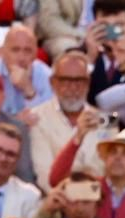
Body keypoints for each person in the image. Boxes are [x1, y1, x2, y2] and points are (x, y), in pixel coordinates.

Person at [28, 51, 103, 185]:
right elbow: (45, 176)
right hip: (56, 200)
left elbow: (104, 173)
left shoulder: (104, 120)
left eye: (79, 81)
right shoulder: (37, 118)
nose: (73, 87)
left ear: (88, 83)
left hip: (96, 200)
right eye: (66, 80)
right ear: (53, 82)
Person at [82, 0, 125, 103]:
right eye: (104, 25)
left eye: (119, 25)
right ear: (94, 24)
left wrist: (124, 65)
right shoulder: (78, 56)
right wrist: (90, 60)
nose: (112, 31)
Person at [0, 24, 51, 116]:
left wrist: (28, 89)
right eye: (15, 50)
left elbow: (48, 121)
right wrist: (16, 121)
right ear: (2, 52)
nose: (21, 58)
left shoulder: (46, 74)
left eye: (27, 51)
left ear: (35, 54)